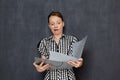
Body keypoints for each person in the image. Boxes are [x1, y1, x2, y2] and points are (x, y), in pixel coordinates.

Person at [33, 11, 83, 80]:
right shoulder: (44, 42)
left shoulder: (72, 40)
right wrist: (39, 69)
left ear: (63, 23)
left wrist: (79, 63)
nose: (55, 26)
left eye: (58, 23)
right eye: (52, 24)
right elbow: (43, 63)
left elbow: (76, 61)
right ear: (49, 26)